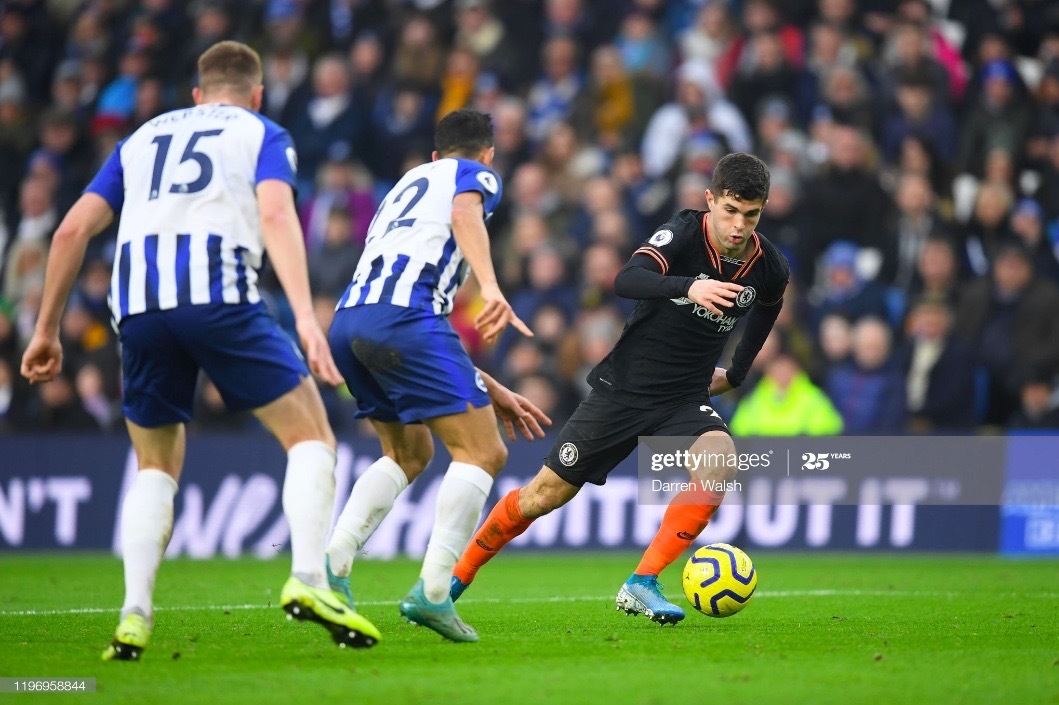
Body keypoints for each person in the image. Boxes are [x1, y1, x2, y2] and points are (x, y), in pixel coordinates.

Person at [20, 41, 380, 660]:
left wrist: (46, 329)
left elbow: (72, 228)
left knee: (155, 466)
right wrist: (303, 316)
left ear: (195, 95)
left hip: (136, 308)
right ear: (257, 93)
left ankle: (134, 615)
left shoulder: (140, 138)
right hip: (217, 295)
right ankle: (310, 579)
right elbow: (274, 212)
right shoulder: (262, 130)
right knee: (312, 438)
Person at [451, 153, 789, 624]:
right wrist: (689, 287)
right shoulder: (684, 233)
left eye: (750, 215)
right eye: (730, 211)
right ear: (710, 200)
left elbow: (769, 306)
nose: (738, 226)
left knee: (719, 462)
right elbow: (626, 279)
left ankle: (642, 582)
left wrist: (737, 371)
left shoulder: (768, 264)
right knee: (542, 496)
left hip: (684, 397)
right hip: (623, 390)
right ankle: (454, 579)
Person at [324, 108, 551, 643]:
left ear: (432, 154)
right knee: (485, 454)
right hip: (406, 319)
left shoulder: (404, 185)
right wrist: (492, 288)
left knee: (409, 454)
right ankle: (431, 594)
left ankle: (331, 566)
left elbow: (402, 304)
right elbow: (465, 213)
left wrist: (488, 387)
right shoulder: (474, 175)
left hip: (350, 321)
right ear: (487, 155)